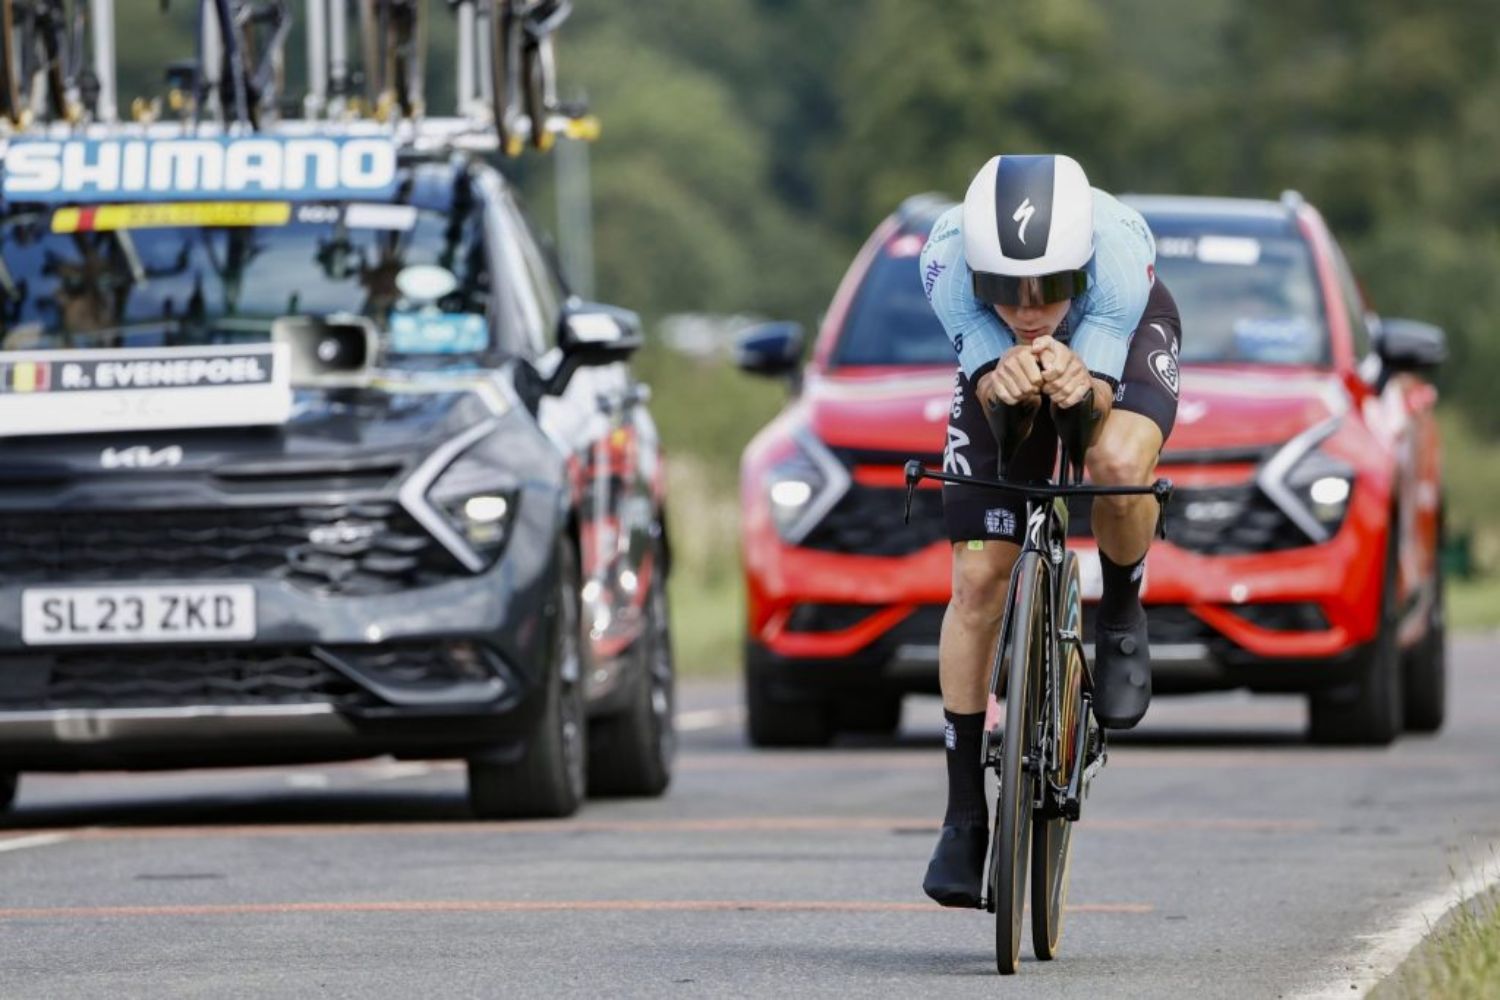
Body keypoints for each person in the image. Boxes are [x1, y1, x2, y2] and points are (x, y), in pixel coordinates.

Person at [917, 154, 1181, 906]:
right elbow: (1009, 422)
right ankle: (964, 812)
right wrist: (1006, 389)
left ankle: (1123, 606)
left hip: (1119, 335)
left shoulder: (1118, 263)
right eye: (1005, 291)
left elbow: (1086, 416)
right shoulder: (944, 262)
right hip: (1000, 370)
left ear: (1080, 268)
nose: (1029, 310)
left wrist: (1079, 385)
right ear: (977, 276)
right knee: (976, 580)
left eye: (1048, 290)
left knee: (1116, 457)